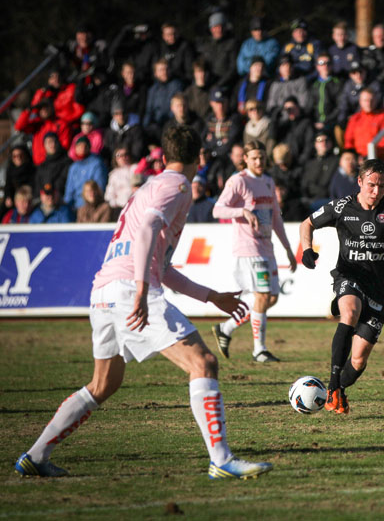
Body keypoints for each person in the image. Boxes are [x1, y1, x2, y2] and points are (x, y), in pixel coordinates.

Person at [14, 125, 273, 480]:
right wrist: (139, 292)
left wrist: (212, 297)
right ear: (199, 158)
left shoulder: (149, 187)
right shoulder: (179, 187)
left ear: (164, 157)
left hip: (103, 290)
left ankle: (35, 455)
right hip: (126, 290)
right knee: (204, 362)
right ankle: (221, 460)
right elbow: (149, 229)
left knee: (103, 385)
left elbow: (160, 266)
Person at [299, 158, 384, 414]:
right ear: (359, 182)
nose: (376, 191)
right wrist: (307, 250)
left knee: (358, 360)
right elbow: (307, 223)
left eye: (382, 185)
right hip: (349, 275)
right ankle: (333, 386)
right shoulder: (342, 206)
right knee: (350, 312)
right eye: (371, 185)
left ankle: (340, 390)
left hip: (379, 289)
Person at [212, 140, 297, 363]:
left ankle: (226, 328)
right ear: (246, 160)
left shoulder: (268, 182)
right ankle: (259, 349)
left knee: (271, 298)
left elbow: (276, 217)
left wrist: (288, 249)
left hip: (266, 247)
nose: (259, 161)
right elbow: (217, 209)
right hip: (248, 248)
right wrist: (242, 211)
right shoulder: (238, 181)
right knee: (261, 297)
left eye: (261, 157)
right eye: (254, 158)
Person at [14, 99, 72, 166]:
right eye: (41, 108)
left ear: (52, 108)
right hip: (39, 164)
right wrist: (28, 110)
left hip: (55, 163)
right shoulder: (37, 124)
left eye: (46, 107)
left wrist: (54, 157)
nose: (44, 110)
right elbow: (19, 126)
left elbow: (65, 144)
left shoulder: (61, 124)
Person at [343, 88, 384, 163]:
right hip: (358, 159)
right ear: (360, 102)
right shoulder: (355, 118)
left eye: (371, 100)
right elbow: (348, 140)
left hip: (378, 159)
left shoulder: (383, 117)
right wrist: (353, 154)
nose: (369, 103)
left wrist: (368, 156)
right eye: (366, 100)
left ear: (376, 101)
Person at [143, 58, 184, 141]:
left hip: (172, 124)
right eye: (161, 70)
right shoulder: (152, 90)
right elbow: (149, 111)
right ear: (155, 73)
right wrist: (145, 127)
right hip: (156, 126)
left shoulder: (177, 86)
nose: (164, 72)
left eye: (166, 69)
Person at [64, 136, 108, 212]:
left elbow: (100, 188)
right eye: (79, 146)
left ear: (89, 147)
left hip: (91, 205)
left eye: (85, 146)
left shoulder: (97, 164)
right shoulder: (73, 167)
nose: (82, 148)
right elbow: (69, 191)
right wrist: (66, 206)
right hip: (75, 206)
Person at [196, 12, 238, 91]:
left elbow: (233, 68)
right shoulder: (206, 45)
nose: (219, 30)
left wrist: (219, 84)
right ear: (211, 29)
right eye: (216, 27)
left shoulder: (232, 44)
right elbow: (200, 65)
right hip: (207, 84)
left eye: (221, 26)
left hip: (226, 86)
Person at [301, 131, 338, 211]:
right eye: (320, 140)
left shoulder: (336, 162)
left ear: (331, 143)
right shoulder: (309, 163)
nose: (324, 143)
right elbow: (305, 184)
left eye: (327, 140)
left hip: (328, 200)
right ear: (315, 144)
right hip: (309, 199)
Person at [308, 52, 342, 136]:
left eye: (328, 63)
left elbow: (339, 107)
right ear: (317, 66)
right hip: (315, 123)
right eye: (321, 63)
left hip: (332, 123)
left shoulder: (337, 83)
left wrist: (326, 121)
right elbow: (309, 106)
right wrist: (314, 122)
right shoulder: (313, 85)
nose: (325, 66)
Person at [34, 133, 71, 198]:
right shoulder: (41, 167)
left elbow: (63, 182)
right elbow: (37, 188)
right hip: (44, 201)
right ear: (44, 145)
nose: (53, 144)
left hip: (62, 199)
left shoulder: (67, 162)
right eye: (49, 142)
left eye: (55, 141)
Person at [3, 144, 36, 211]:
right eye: (14, 156)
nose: (18, 158)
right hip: (14, 201)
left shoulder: (32, 169)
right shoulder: (10, 170)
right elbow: (8, 186)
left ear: (26, 156)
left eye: (21, 155)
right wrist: (8, 197)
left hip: (28, 200)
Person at [104, 146, 136, 212]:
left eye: (125, 155)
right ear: (115, 158)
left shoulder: (135, 168)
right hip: (119, 208)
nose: (123, 157)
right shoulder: (113, 175)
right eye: (119, 155)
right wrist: (115, 203)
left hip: (135, 205)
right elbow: (109, 195)